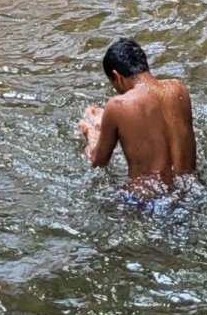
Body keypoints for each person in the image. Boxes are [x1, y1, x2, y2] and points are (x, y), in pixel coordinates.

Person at [76, 37, 197, 201]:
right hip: (190, 193)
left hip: (149, 202)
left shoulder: (117, 106)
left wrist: (90, 131)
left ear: (116, 76)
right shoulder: (178, 89)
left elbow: (99, 161)